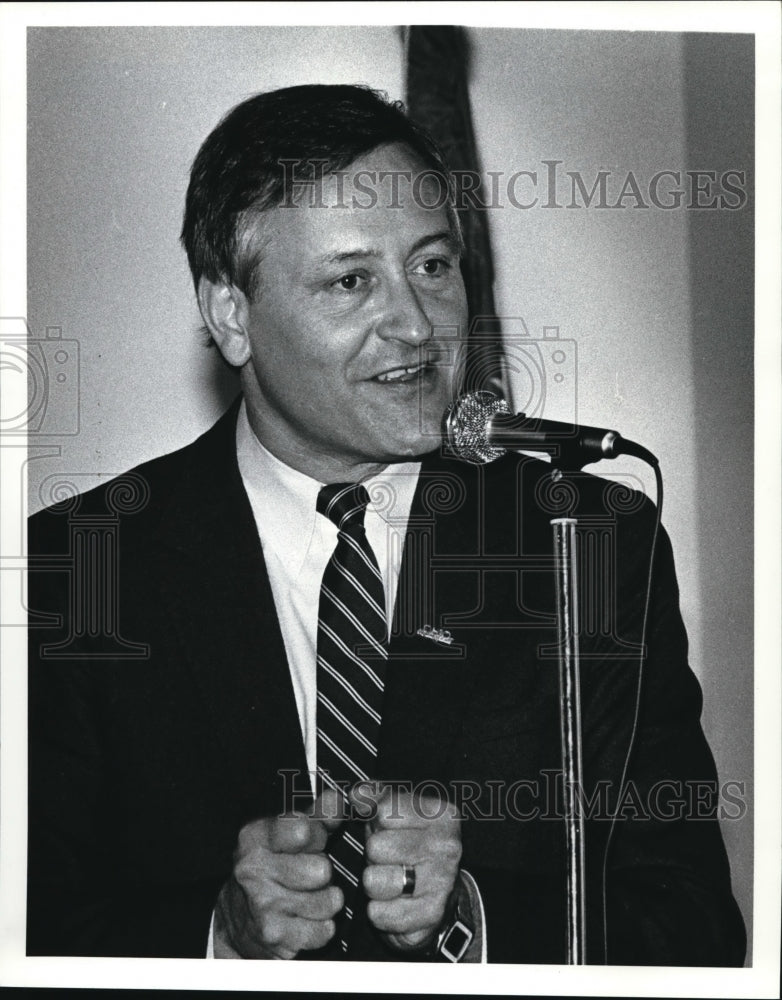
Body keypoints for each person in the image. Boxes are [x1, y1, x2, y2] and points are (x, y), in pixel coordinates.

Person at [27, 84, 746, 965]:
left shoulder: (588, 540)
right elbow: (34, 928)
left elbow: (694, 931)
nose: (416, 326)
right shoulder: (82, 565)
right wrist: (216, 938)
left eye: (434, 267)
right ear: (231, 316)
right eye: (352, 279)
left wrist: (474, 917)